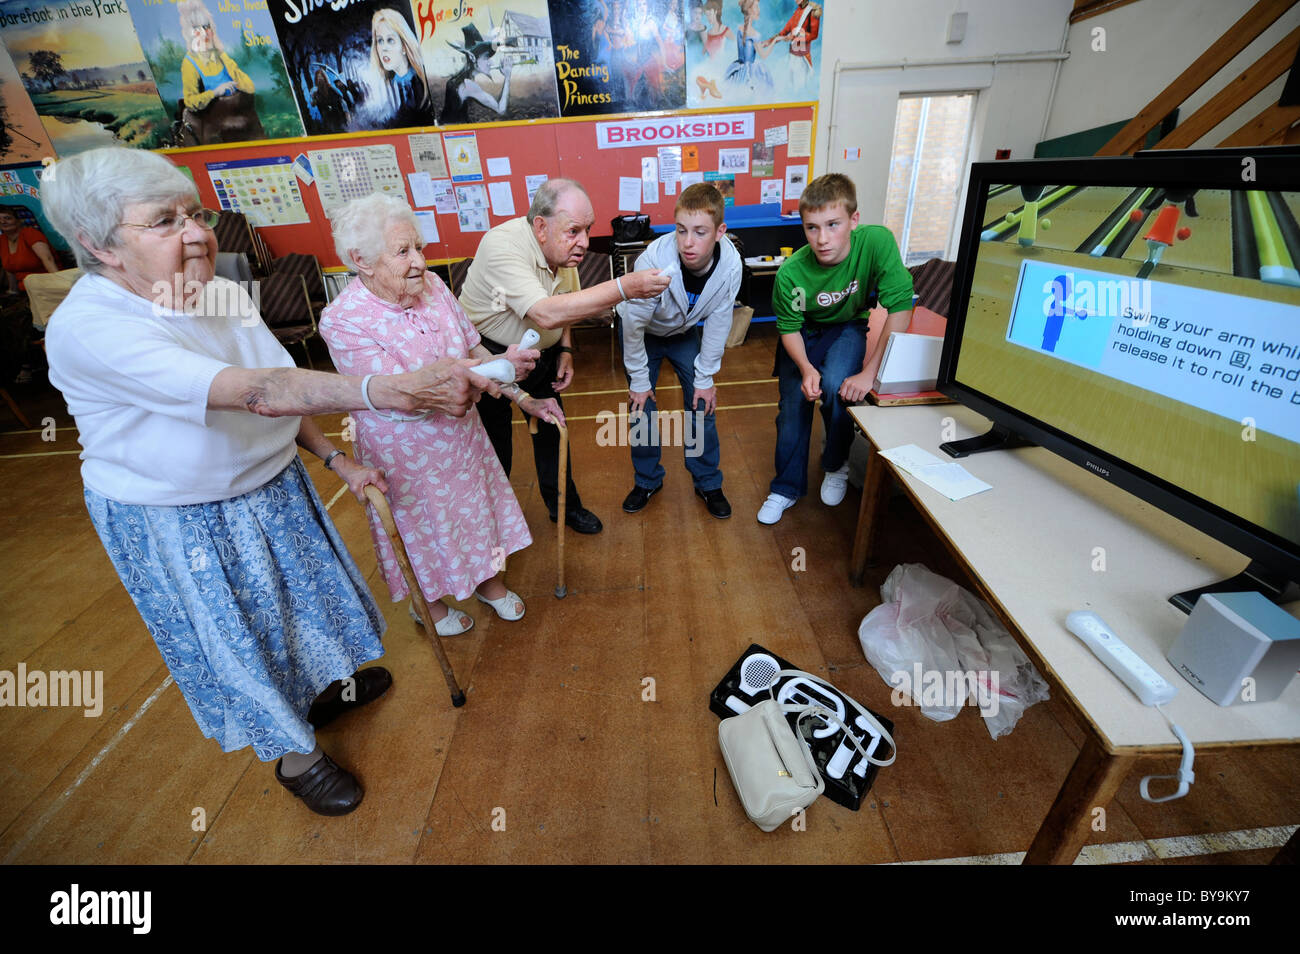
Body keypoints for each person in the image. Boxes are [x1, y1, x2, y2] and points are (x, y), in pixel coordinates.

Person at [40, 147, 509, 817]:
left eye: (193, 213)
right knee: (244, 640)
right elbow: (259, 391)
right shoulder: (90, 328)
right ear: (98, 245)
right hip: (183, 516)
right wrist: (386, 391)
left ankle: (321, 696)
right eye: (163, 221)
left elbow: (283, 395)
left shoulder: (223, 292)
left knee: (302, 614)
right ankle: (297, 756)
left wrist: (332, 459)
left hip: (272, 484)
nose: (198, 233)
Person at [320, 194, 553, 635]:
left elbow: (473, 348)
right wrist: (485, 373)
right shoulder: (342, 321)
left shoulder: (436, 288)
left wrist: (512, 379)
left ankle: (488, 582)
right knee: (421, 529)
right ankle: (427, 603)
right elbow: (403, 394)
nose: (421, 263)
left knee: (476, 514)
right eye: (403, 251)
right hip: (405, 455)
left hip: (462, 438)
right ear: (360, 260)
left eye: (419, 248)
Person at [458, 178, 672, 534]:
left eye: (588, 230)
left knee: (553, 431)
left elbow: (565, 307)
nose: (585, 243)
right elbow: (546, 312)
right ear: (540, 226)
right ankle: (491, 529)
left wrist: (566, 349)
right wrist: (624, 288)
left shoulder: (563, 250)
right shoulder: (501, 245)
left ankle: (565, 509)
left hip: (540, 351)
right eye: (575, 230)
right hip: (488, 354)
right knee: (495, 449)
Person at [758, 173, 913, 525]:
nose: (822, 239)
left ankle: (836, 464)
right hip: (804, 334)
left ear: (853, 220)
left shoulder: (876, 242)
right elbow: (790, 329)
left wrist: (869, 372)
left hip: (847, 325)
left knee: (839, 388)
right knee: (794, 404)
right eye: (812, 228)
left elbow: (901, 307)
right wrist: (806, 367)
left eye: (833, 224)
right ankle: (785, 488)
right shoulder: (791, 273)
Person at [616, 183, 740, 518]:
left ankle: (707, 481)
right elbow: (633, 324)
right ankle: (647, 479)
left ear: (719, 231)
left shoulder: (731, 266)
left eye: (700, 232)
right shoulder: (654, 260)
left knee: (702, 402)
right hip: (644, 334)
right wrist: (639, 381)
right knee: (641, 407)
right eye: (681, 230)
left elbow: (719, 321)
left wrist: (706, 377)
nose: (688, 242)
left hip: (683, 333)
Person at [176, 0, 264, 145]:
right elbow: (190, 102)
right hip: (215, 129)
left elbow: (249, 87)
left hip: (240, 119)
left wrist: (221, 53)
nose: (204, 33)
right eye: (197, 29)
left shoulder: (221, 55)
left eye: (206, 27)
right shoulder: (189, 63)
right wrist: (215, 92)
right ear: (189, 33)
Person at [369, 8, 433, 128]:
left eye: (390, 40)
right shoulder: (387, 86)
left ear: (404, 46)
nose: (384, 48)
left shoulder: (422, 82)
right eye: (380, 41)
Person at [442, 24, 514, 125]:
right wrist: (507, 77)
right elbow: (500, 109)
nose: (491, 63)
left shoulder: (455, 80)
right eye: (486, 58)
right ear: (472, 58)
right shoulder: (468, 86)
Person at [0, 206, 58, 293]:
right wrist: (13, 291)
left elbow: (47, 259)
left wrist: (59, 283)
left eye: (7, 218)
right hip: (25, 289)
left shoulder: (30, 233)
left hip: (46, 286)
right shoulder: (2, 240)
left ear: (19, 221)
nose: (3, 222)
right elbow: (9, 269)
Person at [765, 0, 820, 87]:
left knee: (800, 90)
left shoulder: (812, 11)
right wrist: (768, 42)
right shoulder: (797, 11)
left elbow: (814, 35)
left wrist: (795, 36)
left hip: (802, 59)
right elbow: (784, 32)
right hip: (792, 58)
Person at [723, 0, 774, 95]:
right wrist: (774, 41)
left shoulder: (740, 29)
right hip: (750, 72)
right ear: (750, 10)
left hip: (739, 68)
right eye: (756, 7)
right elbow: (763, 55)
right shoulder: (755, 34)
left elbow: (747, 46)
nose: (759, 10)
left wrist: (761, 44)